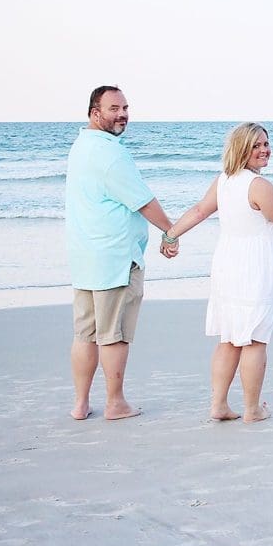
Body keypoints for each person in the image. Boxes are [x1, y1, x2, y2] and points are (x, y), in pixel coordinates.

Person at [163, 122, 273, 422]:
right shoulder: (257, 186)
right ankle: (252, 409)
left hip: (227, 265)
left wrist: (171, 234)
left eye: (266, 143)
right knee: (255, 339)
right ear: (241, 149)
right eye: (256, 145)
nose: (264, 150)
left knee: (230, 337)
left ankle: (219, 405)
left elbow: (198, 211)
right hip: (253, 268)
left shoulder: (224, 181)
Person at [66, 85, 178, 420]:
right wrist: (170, 232)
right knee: (113, 335)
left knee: (85, 334)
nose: (123, 114)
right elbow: (143, 200)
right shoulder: (111, 154)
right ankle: (115, 403)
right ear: (94, 111)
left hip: (85, 257)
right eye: (114, 108)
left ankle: (81, 404)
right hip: (114, 258)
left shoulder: (81, 145)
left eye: (126, 107)